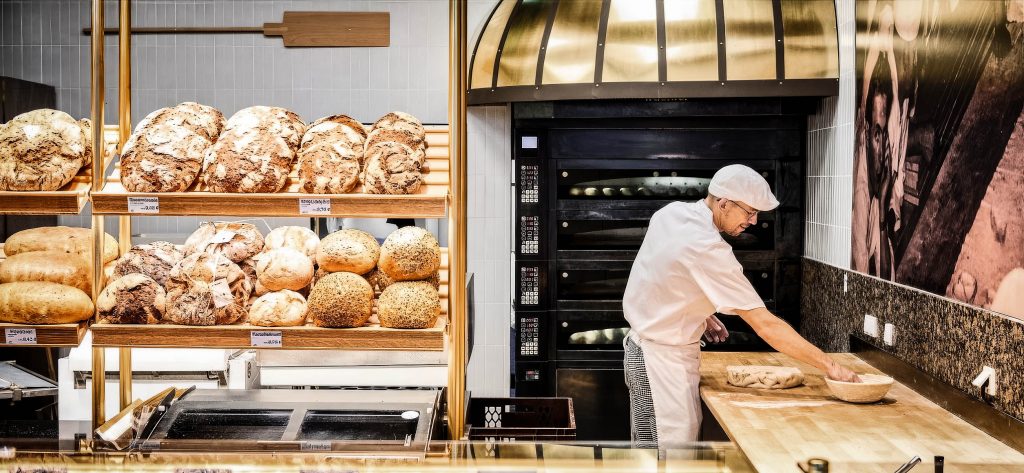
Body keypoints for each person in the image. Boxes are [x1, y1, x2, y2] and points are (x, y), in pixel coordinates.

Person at [622, 164, 861, 448]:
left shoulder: (673, 213)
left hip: (652, 352)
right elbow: (765, 324)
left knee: (674, 458)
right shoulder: (708, 248)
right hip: (659, 365)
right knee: (665, 461)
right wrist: (830, 365)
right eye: (749, 212)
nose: (754, 220)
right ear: (723, 203)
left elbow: (660, 272)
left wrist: (696, 307)